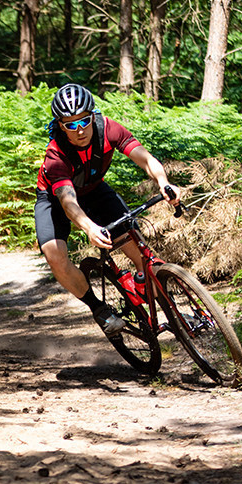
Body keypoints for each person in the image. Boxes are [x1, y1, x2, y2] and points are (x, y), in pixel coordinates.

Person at [35, 83, 180, 336]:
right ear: (60, 125)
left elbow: (145, 159)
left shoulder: (108, 128)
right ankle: (99, 309)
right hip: (55, 200)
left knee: (142, 255)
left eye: (84, 121)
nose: (79, 130)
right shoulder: (56, 155)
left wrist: (164, 182)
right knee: (55, 256)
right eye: (70, 124)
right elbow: (68, 202)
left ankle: (174, 314)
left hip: (93, 189)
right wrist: (90, 227)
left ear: (93, 115)